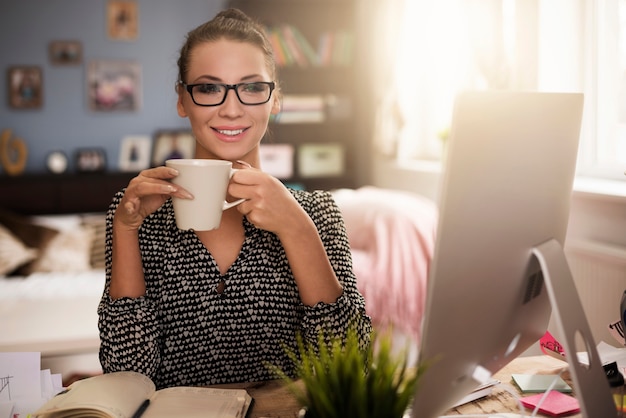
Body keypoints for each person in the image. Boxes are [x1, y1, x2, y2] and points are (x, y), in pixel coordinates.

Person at [98, 8, 372, 389]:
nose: (231, 108)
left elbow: (349, 373)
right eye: (209, 88)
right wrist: (126, 230)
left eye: (252, 87)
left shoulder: (317, 214)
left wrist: (296, 228)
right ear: (182, 100)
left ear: (274, 99)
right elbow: (127, 375)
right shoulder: (135, 214)